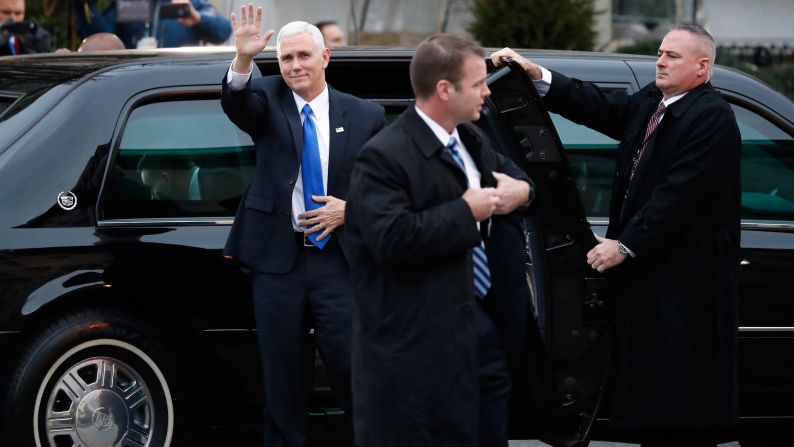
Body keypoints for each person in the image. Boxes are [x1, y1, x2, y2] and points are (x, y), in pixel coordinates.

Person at [492, 24, 740, 446]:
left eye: (672, 56)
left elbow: (679, 192)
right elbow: (601, 106)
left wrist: (625, 245)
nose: (660, 61)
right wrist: (538, 76)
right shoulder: (654, 102)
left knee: (680, 396)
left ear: (702, 67)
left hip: (684, 281)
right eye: (660, 52)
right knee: (653, 393)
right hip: (651, 279)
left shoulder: (710, 115)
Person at [345, 34, 534, 447]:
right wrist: (465, 212)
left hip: (477, 328)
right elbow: (390, 239)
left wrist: (522, 192)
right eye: (479, 83)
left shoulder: (470, 139)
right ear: (445, 90)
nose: (488, 91)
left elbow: (516, 177)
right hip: (417, 342)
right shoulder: (383, 156)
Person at [220, 3, 384, 447]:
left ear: (325, 58)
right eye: (286, 58)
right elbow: (238, 104)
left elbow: (386, 187)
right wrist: (244, 60)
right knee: (283, 376)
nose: (294, 65)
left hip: (339, 261)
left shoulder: (365, 115)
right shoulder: (267, 99)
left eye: (303, 56)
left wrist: (350, 209)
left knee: (353, 369)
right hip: (279, 262)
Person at [72, 0, 231, 49]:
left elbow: (224, 31)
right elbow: (102, 38)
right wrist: (83, 6)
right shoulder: (134, 5)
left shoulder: (185, 3)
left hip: (179, 84)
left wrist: (198, 18)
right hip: (138, 89)